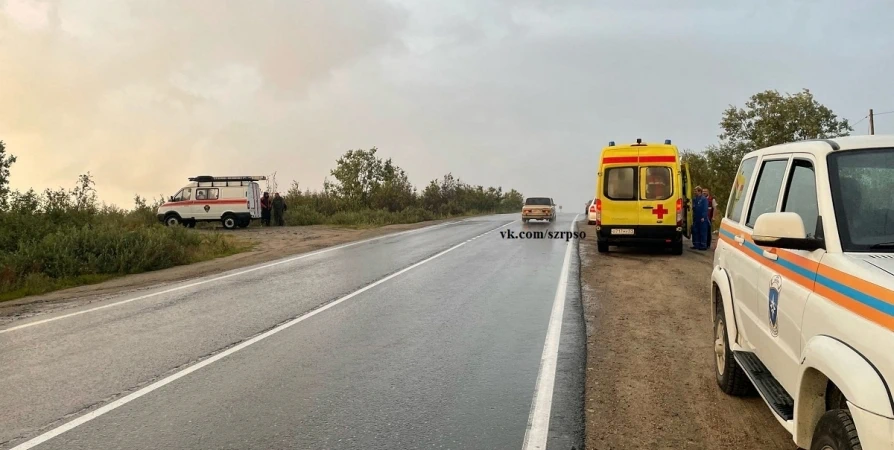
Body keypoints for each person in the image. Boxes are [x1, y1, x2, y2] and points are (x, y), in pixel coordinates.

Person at [691, 186, 709, 250]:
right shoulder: (695, 199)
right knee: (695, 231)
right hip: (696, 217)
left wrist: (703, 217)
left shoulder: (704, 199)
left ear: (699, 191)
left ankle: (703, 245)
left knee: (702, 231)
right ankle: (696, 244)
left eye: (696, 191)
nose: (694, 192)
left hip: (702, 218)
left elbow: (705, 209)